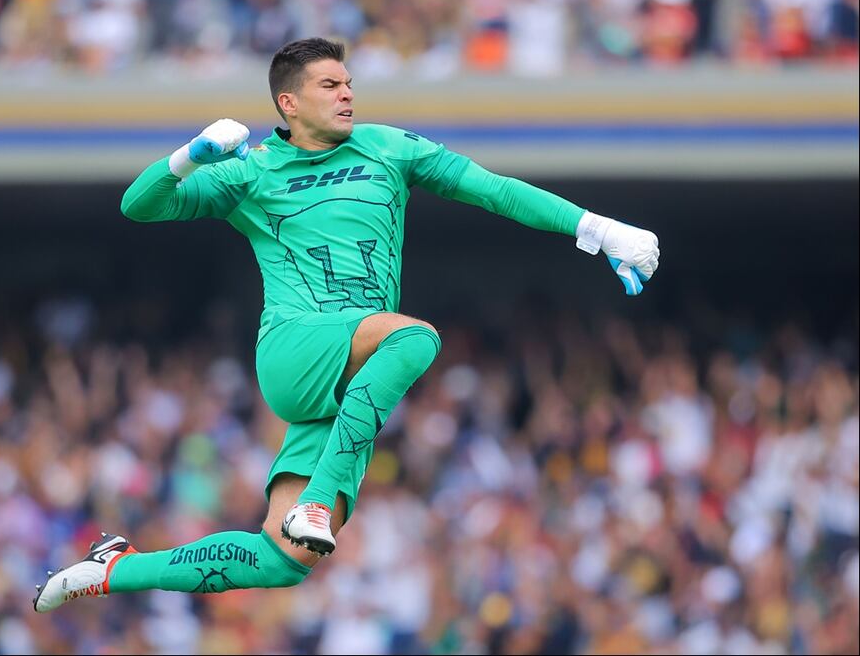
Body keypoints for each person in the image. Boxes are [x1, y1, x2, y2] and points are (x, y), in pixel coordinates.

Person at [34, 37, 660, 612]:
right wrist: (190, 157)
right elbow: (139, 206)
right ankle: (316, 500)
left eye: (349, 82)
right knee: (416, 336)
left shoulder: (389, 147)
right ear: (289, 101)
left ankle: (116, 568)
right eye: (330, 85)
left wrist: (600, 231)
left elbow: (493, 190)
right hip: (295, 351)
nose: (347, 93)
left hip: (349, 375)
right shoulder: (249, 172)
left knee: (284, 560)